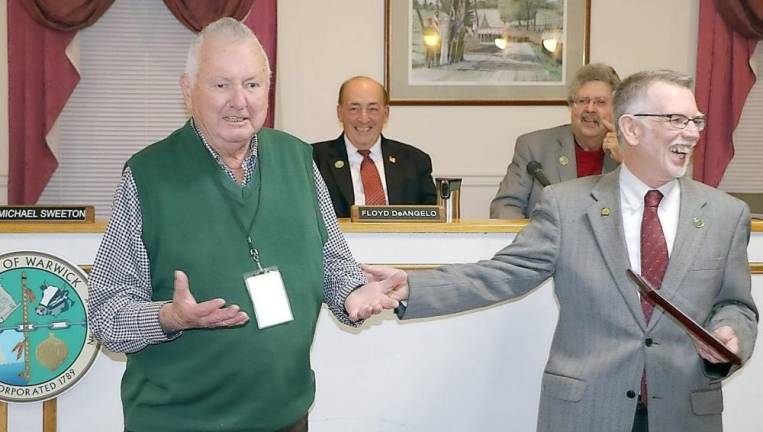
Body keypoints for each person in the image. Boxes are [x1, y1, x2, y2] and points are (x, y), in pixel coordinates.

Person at [367, 70, 758, 432]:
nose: (691, 133)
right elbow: (501, 274)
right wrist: (414, 287)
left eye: (696, 121)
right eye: (676, 120)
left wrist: (731, 334)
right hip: (586, 411)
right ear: (631, 128)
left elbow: (737, 306)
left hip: (685, 414)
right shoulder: (567, 205)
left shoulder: (726, 214)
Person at [87, 18, 396, 432]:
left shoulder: (298, 160)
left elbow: (330, 259)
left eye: (252, 84)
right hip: (180, 423)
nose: (240, 101)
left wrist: (353, 294)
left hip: (286, 416)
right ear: (187, 89)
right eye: (221, 85)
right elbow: (107, 315)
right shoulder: (148, 176)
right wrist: (169, 317)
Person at [490, 63, 623, 219]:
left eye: (600, 102)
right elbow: (505, 207)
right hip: (547, 242)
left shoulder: (631, 152)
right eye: (582, 101)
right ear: (571, 107)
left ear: (617, 108)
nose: (590, 109)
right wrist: (534, 240)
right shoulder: (533, 146)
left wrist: (626, 160)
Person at [313, 76, 437, 218]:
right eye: (354, 108)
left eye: (373, 109)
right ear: (340, 112)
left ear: (386, 113)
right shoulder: (314, 161)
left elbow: (433, 218)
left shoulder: (414, 161)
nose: (363, 118)